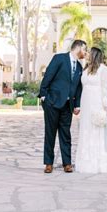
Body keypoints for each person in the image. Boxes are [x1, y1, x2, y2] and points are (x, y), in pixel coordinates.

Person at [38, 39, 87, 173]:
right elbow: (48, 76)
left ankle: (67, 163)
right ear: (79, 48)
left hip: (68, 106)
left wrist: (77, 105)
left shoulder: (79, 67)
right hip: (52, 103)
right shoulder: (59, 58)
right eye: (85, 49)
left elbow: (78, 88)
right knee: (50, 133)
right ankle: (48, 163)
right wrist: (44, 96)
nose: (85, 52)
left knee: (66, 134)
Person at [75, 46, 107, 174]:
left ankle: (100, 163)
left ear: (94, 55)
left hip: (97, 104)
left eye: (89, 53)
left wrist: (106, 107)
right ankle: (86, 162)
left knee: (98, 131)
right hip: (86, 104)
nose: (86, 54)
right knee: (86, 130)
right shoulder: (86, 69)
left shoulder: (103, 70)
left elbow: (106, 89)